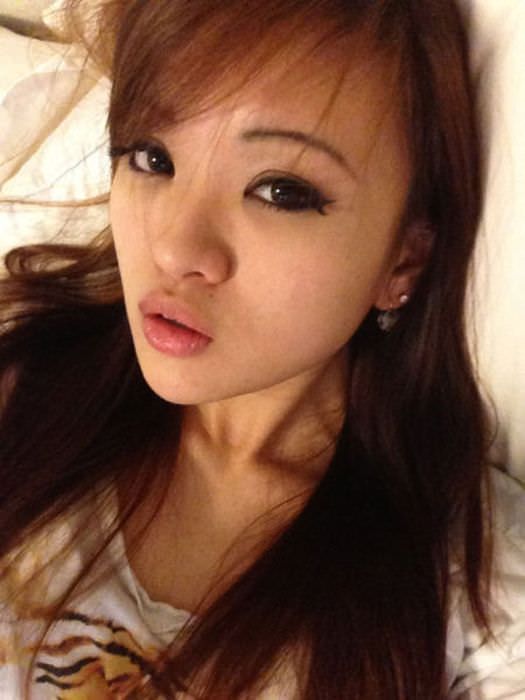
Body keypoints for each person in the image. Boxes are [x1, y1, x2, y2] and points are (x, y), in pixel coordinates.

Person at [0, 0, 524, 698]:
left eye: (280, 191)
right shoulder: (20, 388)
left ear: (403, 258)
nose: (175, 248)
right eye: (152, 157)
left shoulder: (477, 589)